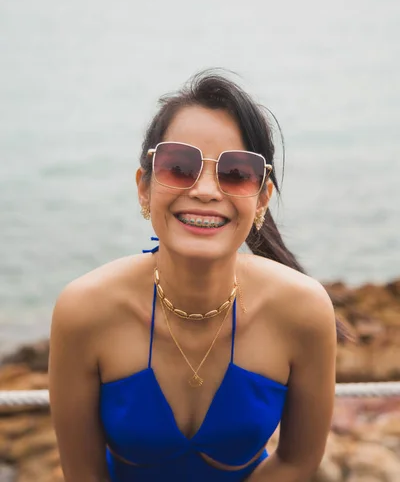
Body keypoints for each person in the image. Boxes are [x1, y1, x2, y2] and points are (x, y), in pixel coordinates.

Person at [49, 70, 341, 482]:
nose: (205, 190)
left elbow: (298, 461)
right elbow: (83, 475)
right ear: (144, 189)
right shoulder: (84, 311)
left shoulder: (305, 310)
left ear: (262, 199)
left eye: (236, 172)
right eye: (178, 166)